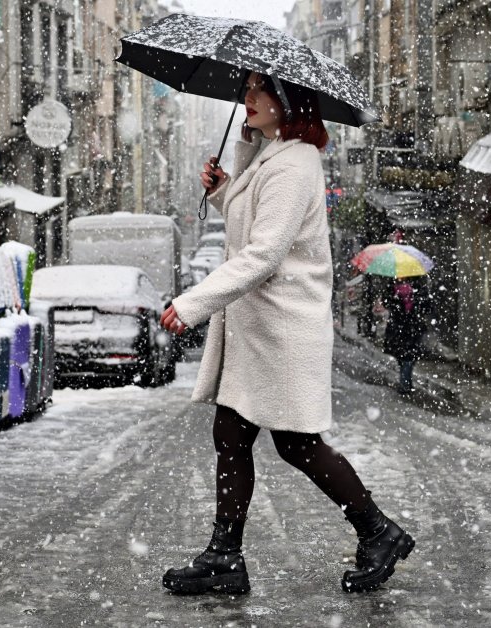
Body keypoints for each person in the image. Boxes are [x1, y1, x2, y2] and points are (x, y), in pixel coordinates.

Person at [158, 72, 414, 595]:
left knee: (297, 443)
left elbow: (263, 252)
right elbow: (252, 227)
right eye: (246, 91)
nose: (246, 99)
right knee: (231, 434)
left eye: (258, 92)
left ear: (287, 101)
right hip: (261, 325)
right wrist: (228, 185)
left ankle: (377, 530)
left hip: (281, 326)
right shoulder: (277, 154)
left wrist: (192, 304)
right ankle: (225, 555)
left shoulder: (295, 163)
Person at [384, 279, 427, 394]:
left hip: (400, 327)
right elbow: (427, 306)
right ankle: (406, 382)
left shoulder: (393, 287)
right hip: (411, 327)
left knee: (405, 356)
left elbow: (386, 303)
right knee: (408, 356)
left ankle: (405, 383)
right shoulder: (417, 287)